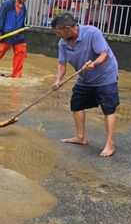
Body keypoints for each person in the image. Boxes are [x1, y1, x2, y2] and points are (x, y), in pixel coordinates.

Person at [51, 12, 120, 157]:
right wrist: (57, 80)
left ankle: (110, 144)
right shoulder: (63, 43)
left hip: (105, 76)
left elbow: (104, 55)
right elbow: (61, 64)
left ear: (68, 29)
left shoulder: (92, 33)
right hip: (84, 78)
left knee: (108, 108)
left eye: (58, 32)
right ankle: (81, 137)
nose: (57, 35)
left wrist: (93, 64)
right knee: (77, 104)